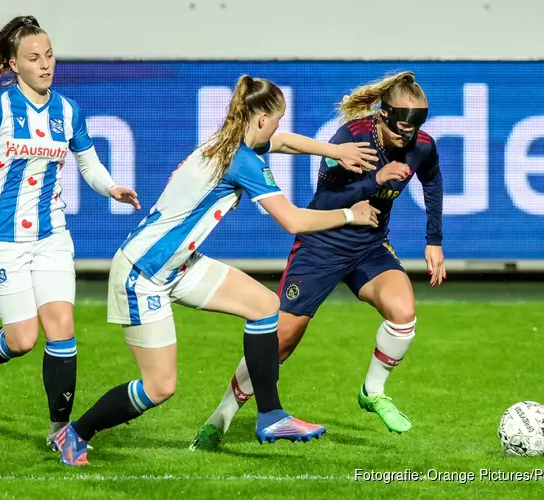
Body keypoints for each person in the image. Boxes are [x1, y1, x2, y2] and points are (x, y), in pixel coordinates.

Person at [52, 74, 381, 466]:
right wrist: (349, 214)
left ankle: (271, 415)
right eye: (276, 118)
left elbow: (288, 141)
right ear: (260, 118)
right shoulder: (242, 160)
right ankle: (74, 434)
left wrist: (334, 150)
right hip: (142, 274)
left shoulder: (233, 138)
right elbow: (292, 221)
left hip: (176, 265)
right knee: (160, 387)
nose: (278, 126)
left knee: (263, 306)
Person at [191, 71, 445, 451]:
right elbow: (324, 202)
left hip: (370, 245)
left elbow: (432, 178)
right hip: (321, 244)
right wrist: (376, 178)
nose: (407, 138)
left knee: (403, 312)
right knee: (281, 341)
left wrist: (434, 240)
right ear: (383, 115)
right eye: (400, 129)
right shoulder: (352, 139)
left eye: (414, 129)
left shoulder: (420, 144)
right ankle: (220, 419)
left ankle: (372, 392)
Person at [0, 15, 140, 448]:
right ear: (14, 65)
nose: (45, 64)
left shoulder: (68, 111)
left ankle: (60, 431)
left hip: (52, 235)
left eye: (49, 55)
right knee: (22, 339)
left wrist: (112, 187)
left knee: (62, 328)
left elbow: (88, 163)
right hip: (0, 238)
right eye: (34, 58)